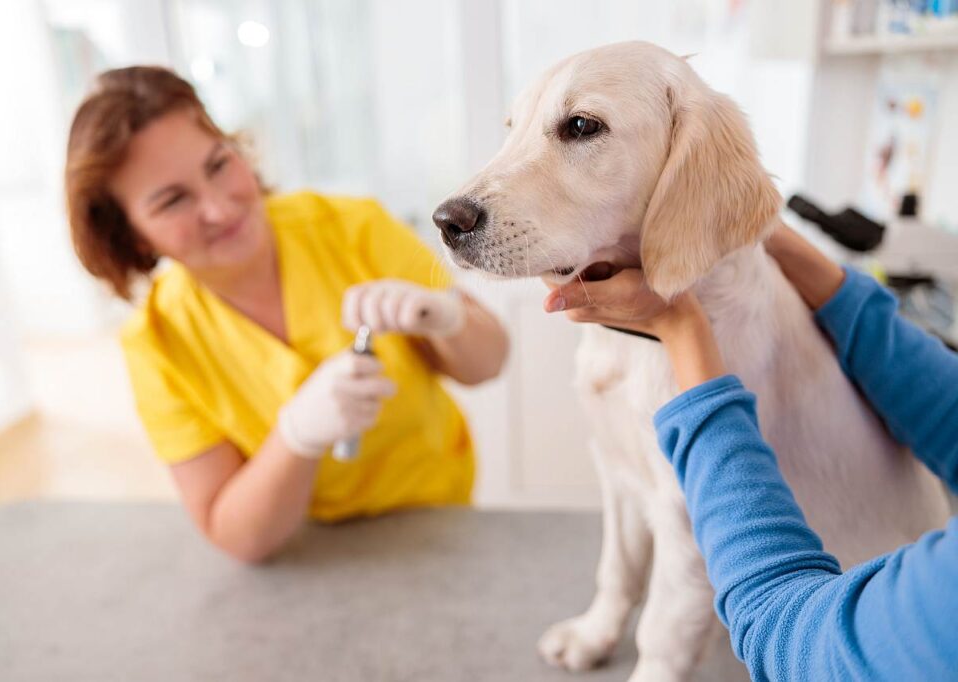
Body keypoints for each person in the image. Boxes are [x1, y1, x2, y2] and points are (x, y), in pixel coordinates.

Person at [65, 66, 508, 563]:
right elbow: (236, 536)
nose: (220, 208)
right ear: (131, 236)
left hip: (439, 517)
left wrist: (448, 319)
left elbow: (488, 364)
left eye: (217, 165)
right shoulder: (157, 342)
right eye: (173, 200)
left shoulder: (353, 228)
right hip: (305, 551)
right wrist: (298, 434)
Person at [545, 227, 956, 680]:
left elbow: (798, 643)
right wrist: (753, 223)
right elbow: (948, 416)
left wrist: (682, 329)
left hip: (841, 621)